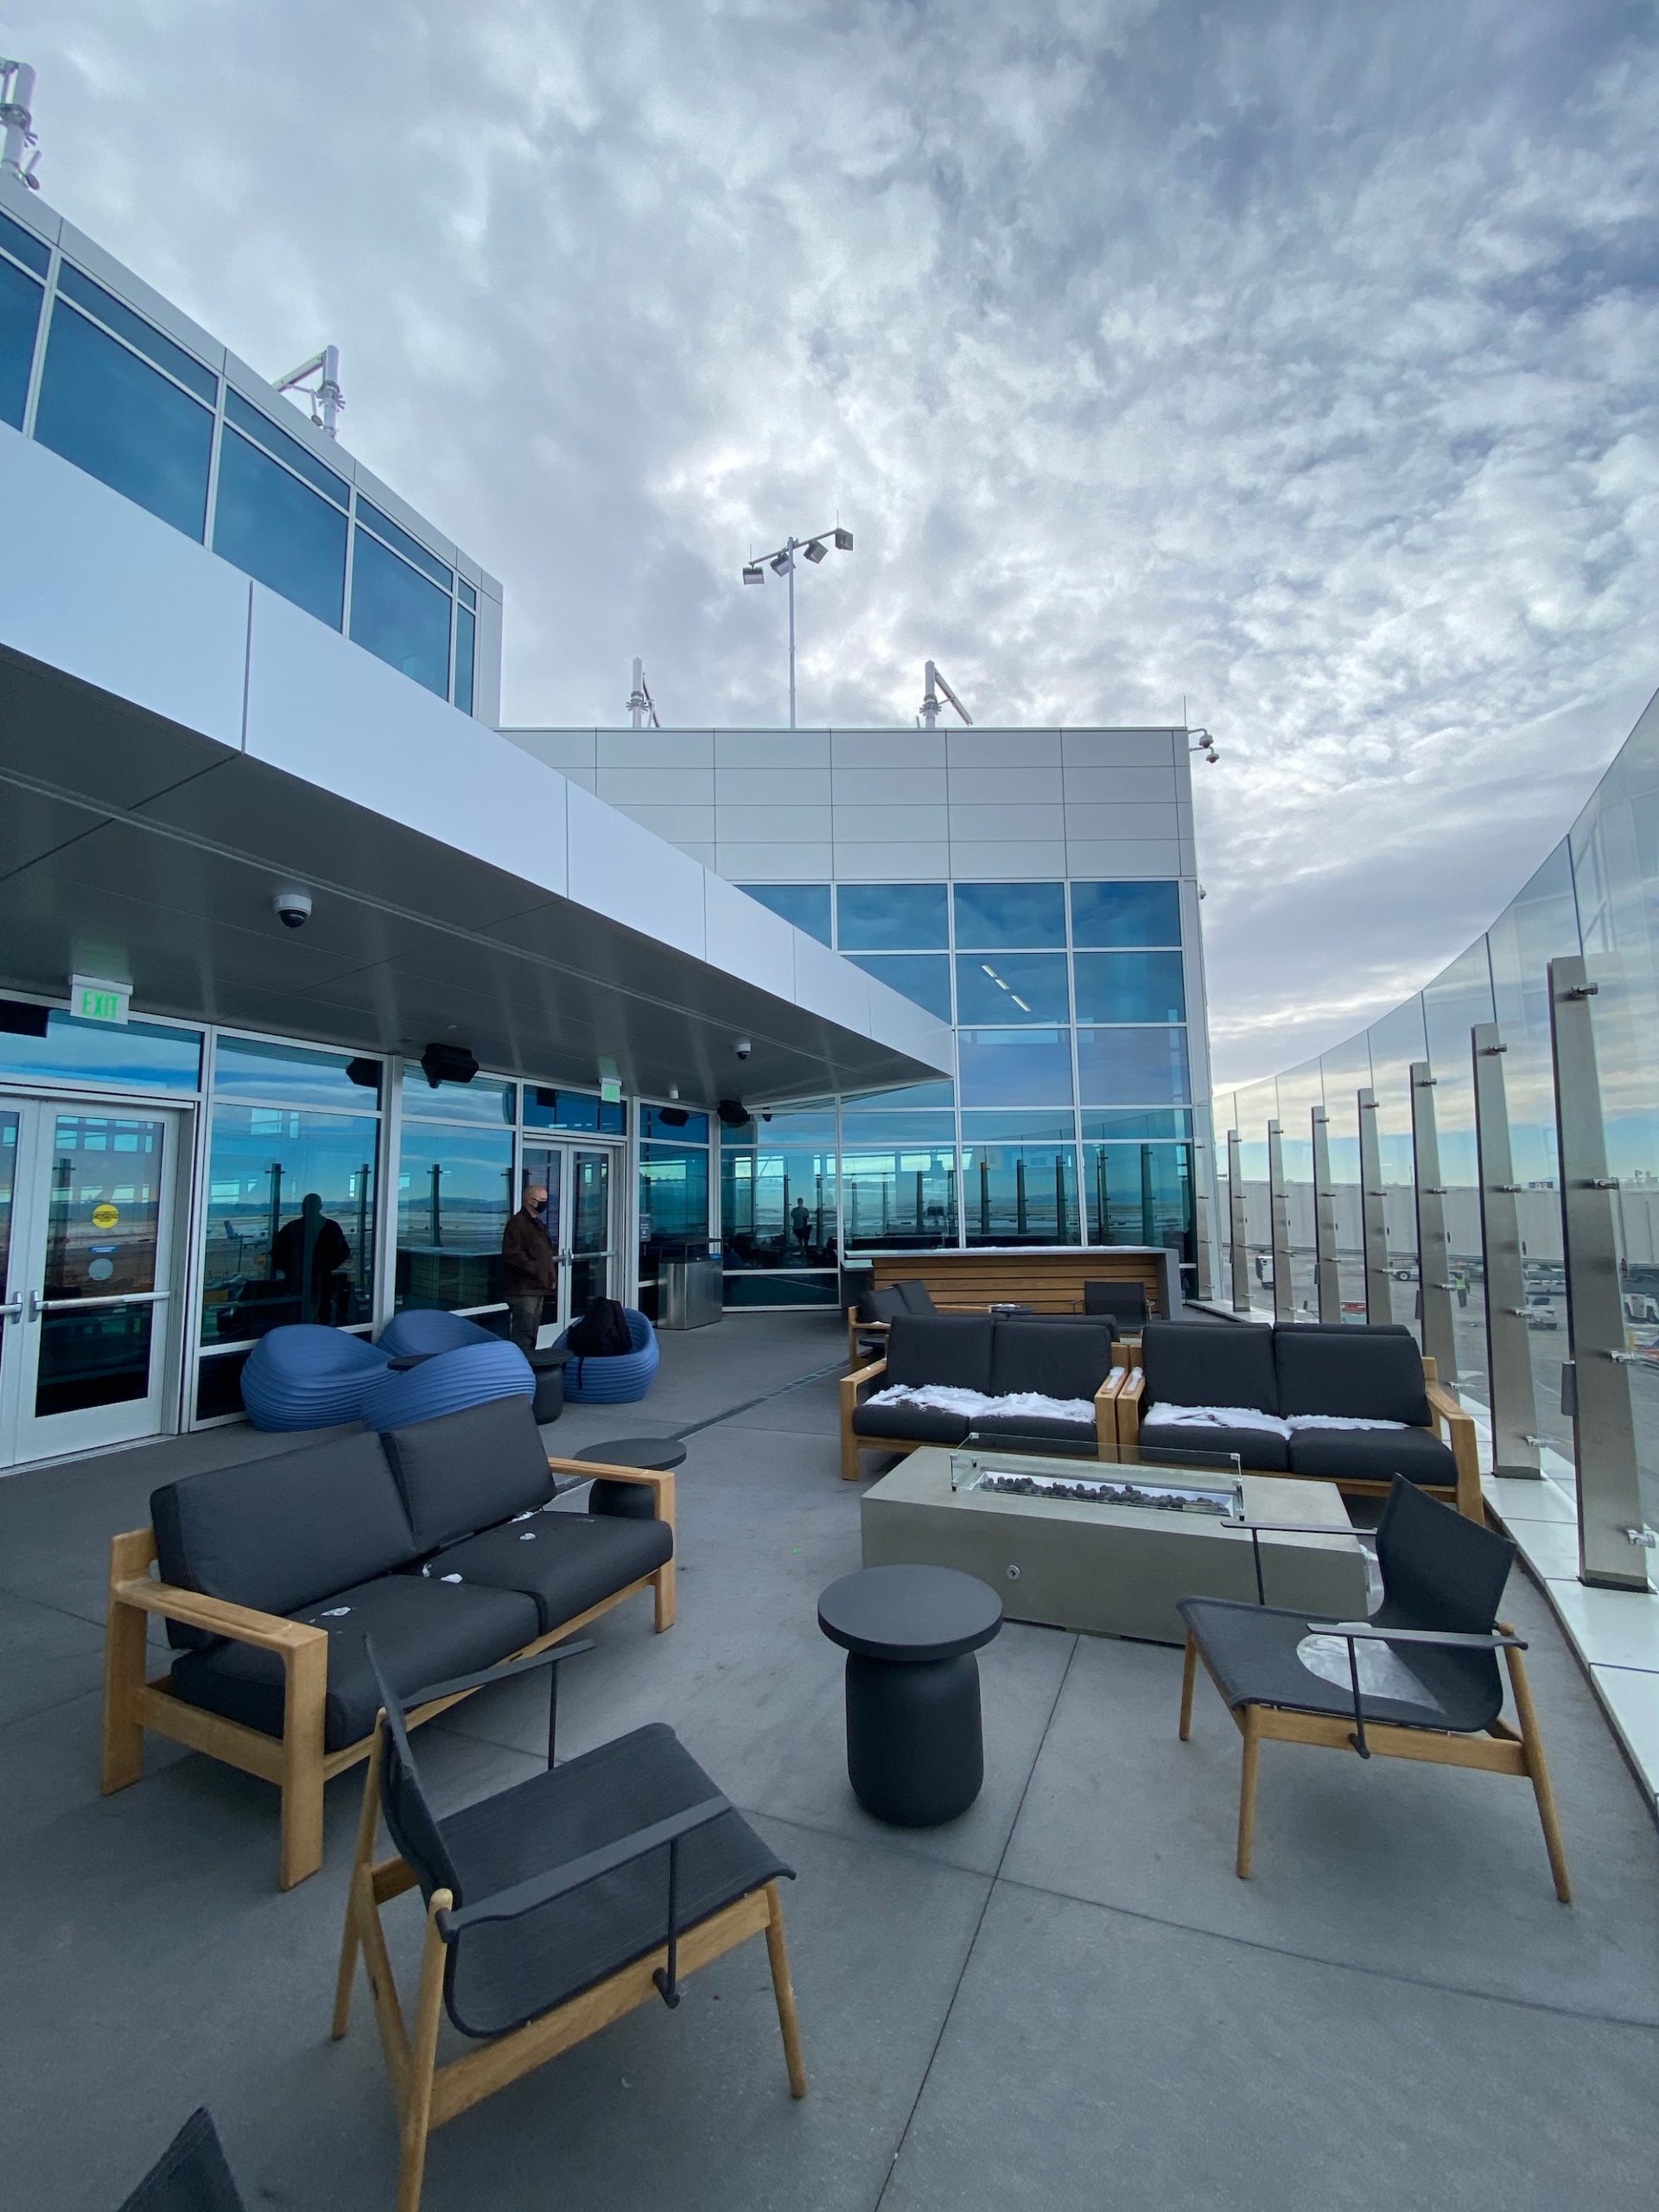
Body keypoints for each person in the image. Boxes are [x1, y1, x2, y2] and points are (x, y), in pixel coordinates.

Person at [271, 1192, 352, 1324]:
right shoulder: (329, 1227)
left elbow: (277, 1254)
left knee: (307, 1312)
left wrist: (291, 1268)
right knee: (313, 1313)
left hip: (310, 1279)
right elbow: (343, 1252)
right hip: (307, 1279)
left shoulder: (293, 1227)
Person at [502, 1182, 557, 1353]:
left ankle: (529, 1365)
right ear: (530, 1201)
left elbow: (545, 1256)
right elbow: (513, 1255)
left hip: (538, 1288)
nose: (545, 1204)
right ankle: (518, 1369)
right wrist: (535, 1270)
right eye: (541, 1200)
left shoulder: (538, 1225)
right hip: (523, 1290)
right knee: (523, 1333)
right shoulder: (517, 1224)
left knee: (532, 1332)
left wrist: (549, 1278)